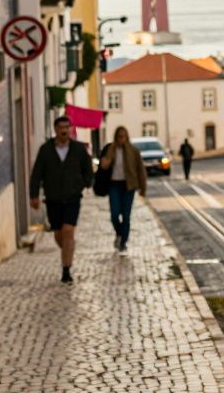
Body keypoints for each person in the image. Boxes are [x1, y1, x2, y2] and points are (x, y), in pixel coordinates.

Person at [30, 115, 94, 283]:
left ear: (70, 129)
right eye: (61, 127)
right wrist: (33, 195)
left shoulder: (78, 149)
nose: (64, 130)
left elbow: (88, 169)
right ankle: (68, 247)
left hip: (73, 197)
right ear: (56, 130)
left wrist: (84, 183)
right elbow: (37, 173)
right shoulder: (46, 150)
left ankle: (66, 270)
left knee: (68, 230)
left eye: (67, 127)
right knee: (59, 234)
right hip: (53, 198)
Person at [99, 126, 146, 253]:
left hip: (128, 186)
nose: (121, 139)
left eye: (123, 136)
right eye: (119, 136)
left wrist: (143, 187)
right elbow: (103, 166)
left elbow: (140, 170)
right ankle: (120, 233)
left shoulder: (133, 151)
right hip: (114, 185)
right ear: (116, 137)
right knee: (114, 214)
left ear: (127, 137)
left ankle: (123, 242)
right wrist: (109, 156)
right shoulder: (110, 149)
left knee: (126, 215)